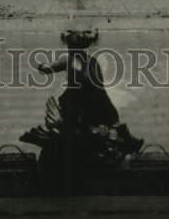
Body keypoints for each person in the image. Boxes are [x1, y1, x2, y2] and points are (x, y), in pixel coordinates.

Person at [21, 29, 143, 187]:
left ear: (70, 47)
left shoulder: (69, 60)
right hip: (95, 103)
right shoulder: (92, 61)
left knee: (68, 128)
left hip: (79, 104)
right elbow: (99, 88)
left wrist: (38, 65)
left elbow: (47, 69)